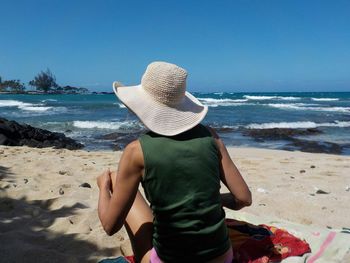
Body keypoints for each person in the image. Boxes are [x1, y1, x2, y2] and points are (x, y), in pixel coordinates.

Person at [97, 61, 252, 263]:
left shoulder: (136, 151)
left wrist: (103, 187)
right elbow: (243, 198)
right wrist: (205, 201)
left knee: (116, 178)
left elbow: (110, 226)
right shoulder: (211, 138)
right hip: (222, 258)